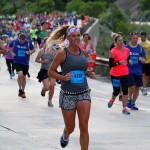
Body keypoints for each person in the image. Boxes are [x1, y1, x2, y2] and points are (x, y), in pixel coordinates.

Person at [48, 26, 94, 150]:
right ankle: (66, 134)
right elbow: (51, 72)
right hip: (67, 94)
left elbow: (83, 70)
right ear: (68, 38)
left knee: (84, 127)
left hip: (83, 92)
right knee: (71, 127)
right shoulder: (62, 53)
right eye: (73, 36)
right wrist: (63, 78)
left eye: (78, 35)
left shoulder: (83, 52)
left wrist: (88, 72)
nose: (76, 38)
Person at [107, 35, 131, 115]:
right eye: (119, 41)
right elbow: (110, 64)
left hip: (125, 73)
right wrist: (119, 62)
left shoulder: (127, 50)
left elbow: (128, 58)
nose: (121, 42)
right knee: (116, 91)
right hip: (115, 74)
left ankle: (124, 108)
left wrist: (129, 60)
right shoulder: (113, 51)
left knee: (125, 90)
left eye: (122, 40)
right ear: (116, 42)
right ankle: (112, 99)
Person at [9, 33, 35, 98]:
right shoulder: (14, 41)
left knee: (23, 77)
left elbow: (33, 49)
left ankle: (23, 90)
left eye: (23, 41)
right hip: (17, 61)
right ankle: (20, 89)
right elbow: (9, 47)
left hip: (25, 62)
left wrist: (30, 52)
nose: (22, 42)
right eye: (21, 40)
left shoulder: (28, 42)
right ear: (19, 38)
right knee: (20, 75)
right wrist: (12, 53)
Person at [126, 32, 146, 110]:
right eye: (134, 38)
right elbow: (123, 57)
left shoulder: (140, 48)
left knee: (137, 88)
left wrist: (142, 60)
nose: (135, 40)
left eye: (136, 38)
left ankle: (133, 103)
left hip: (138, 71)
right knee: (132, 86)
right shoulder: (127, 47)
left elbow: (144, 59)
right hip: (129, 71)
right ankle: (129, 99)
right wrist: (128, 60)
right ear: (131, 38)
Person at [35, 42, 58, 107]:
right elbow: (36, 60)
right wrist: (43, 61)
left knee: (52, 86)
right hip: (44, 70)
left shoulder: (54, 51)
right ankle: (44, 89)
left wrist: (56, 55)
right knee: (47, 87)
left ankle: (50, 101)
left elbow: (59, 60)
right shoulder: (42, 51)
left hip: (53, 71)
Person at [139, 31, 150, 95]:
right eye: (141, 37)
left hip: (148, 61)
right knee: (143, 74)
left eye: (143, 37)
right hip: (141, 61)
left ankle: (144, 87)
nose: (142, 38)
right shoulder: (139, 43)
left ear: (146, 36)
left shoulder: (148, 43)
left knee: (146, 75)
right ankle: (144, 88)